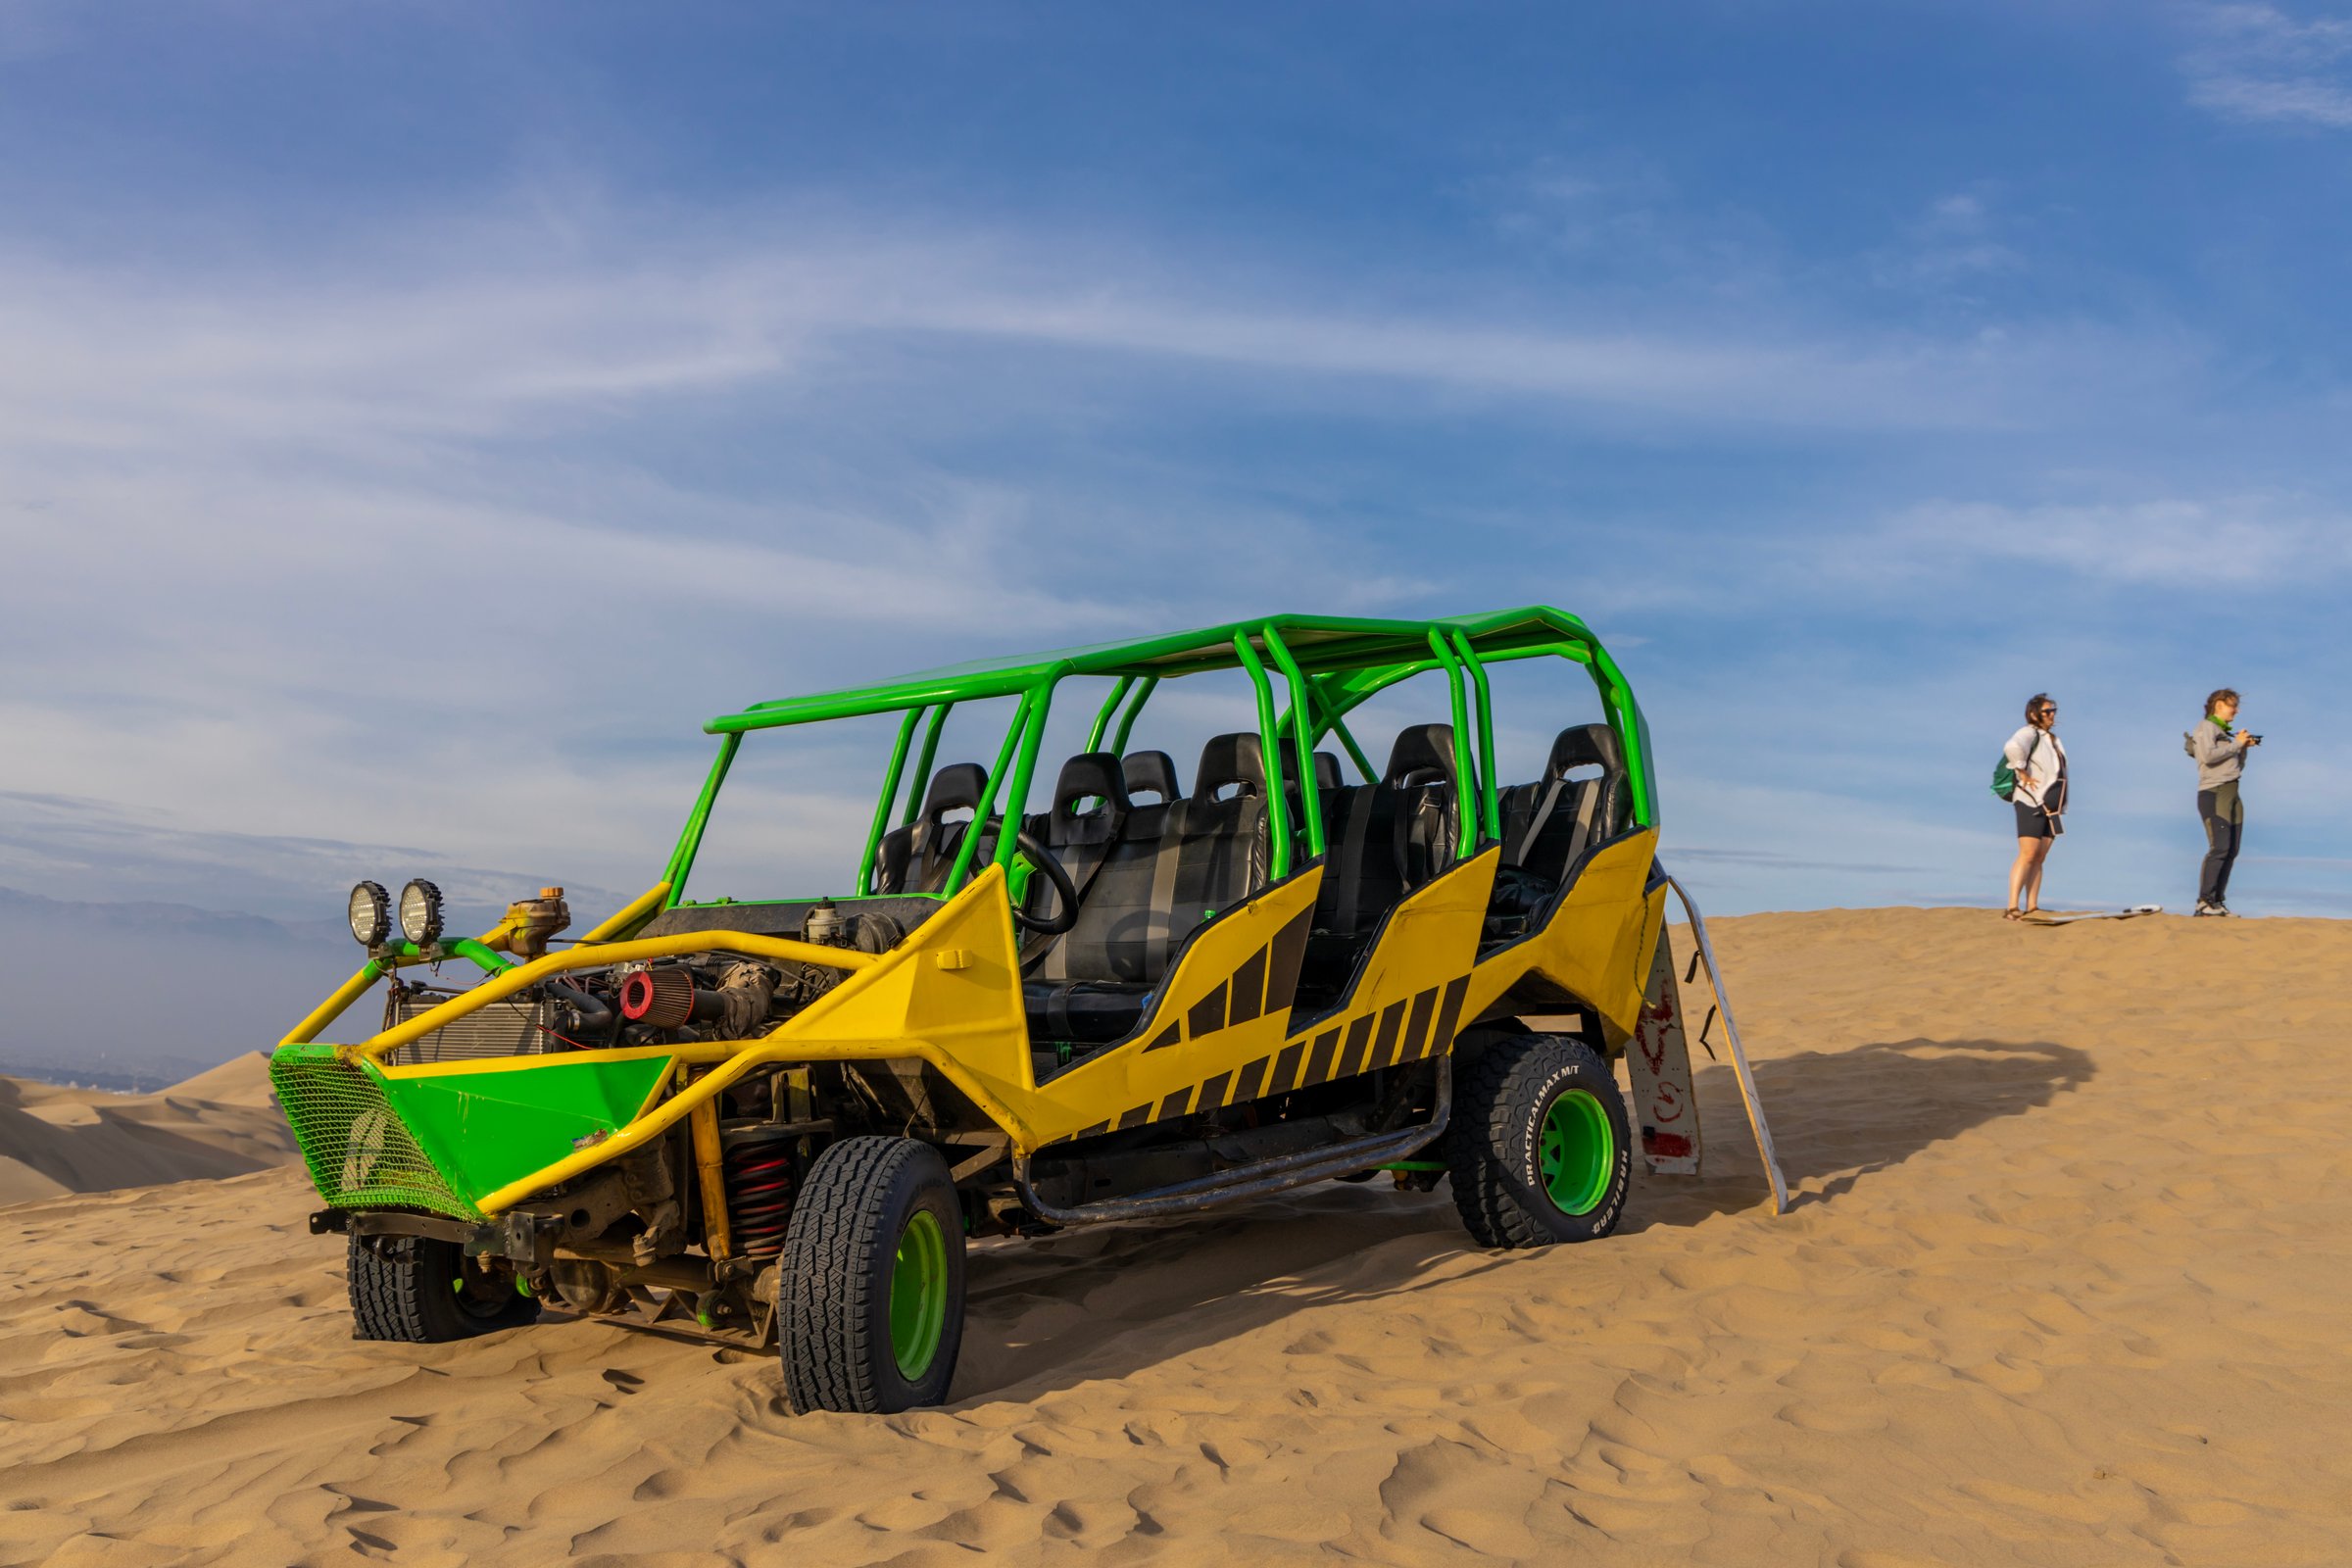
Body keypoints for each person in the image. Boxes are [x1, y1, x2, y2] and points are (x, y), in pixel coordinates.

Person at [2188, 688, 2259, 917]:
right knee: (2219, 847)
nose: (2236, 711)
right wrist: (2236, 744)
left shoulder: (2224, 733)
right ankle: (2204, 902)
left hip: (2232, 791)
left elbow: (2235, 767)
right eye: (2233, 705)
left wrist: (2243, 748)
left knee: (2232, 849)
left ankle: (2217, 901)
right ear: (2219, 704)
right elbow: (2207, 756)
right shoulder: (2205, 728)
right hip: (2214, 792)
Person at [2003, 694, 2067, 920]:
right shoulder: (2028, 732)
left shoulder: (2053, 739)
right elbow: (2012, 747)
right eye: (2047, 711)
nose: (2052, 715)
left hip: (2052, 807)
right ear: (2034, 714)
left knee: (2039, 857)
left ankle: (2032, 905)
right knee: (2028, 854)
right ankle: (2012, 906)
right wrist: (2021, 771)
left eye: (2054, 710)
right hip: (2030, 800)